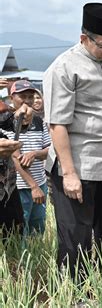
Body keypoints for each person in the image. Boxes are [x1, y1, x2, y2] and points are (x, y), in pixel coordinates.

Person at [43, 3, 102, 279]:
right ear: (84, 38)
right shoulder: (63, 68)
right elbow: (57, 124)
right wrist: (69, 173)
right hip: (78, 166)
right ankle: (76, 291)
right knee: (76, 238)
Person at [2, 81, 50, 237]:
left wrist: (35, 154)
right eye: (23, 96)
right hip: (21, 186)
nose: (28, 100)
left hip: (33, 183)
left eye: (31, 96)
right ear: (11, 98)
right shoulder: (6, 120)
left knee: (35, 227)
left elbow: (50, 149)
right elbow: (14, 156)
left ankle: (35, 260)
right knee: (19, 230)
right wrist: (33, 186)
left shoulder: (37, 121)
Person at [0, 79, 33, 243]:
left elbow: (9, 121)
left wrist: (22, 118)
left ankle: (14, 267)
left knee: (13, 233)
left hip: (6, 187)